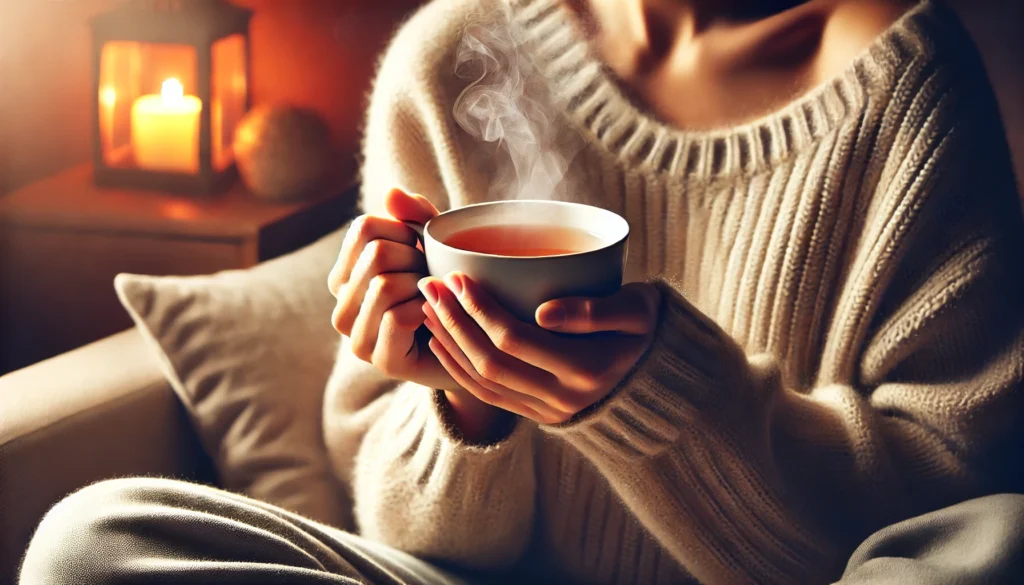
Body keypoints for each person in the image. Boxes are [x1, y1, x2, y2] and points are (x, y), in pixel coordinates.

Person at [19, 0, 1024, 584]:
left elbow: (943, 506)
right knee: (90, 541)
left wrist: (661, 403)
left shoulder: (904, 87)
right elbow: (406, 540)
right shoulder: (456, 53)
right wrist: (462, 404)